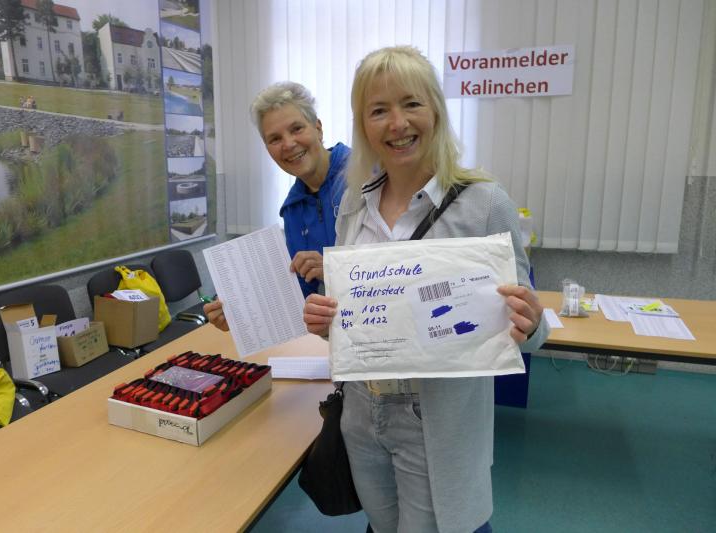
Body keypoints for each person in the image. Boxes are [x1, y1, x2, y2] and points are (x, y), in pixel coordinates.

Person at [303, 46, 549, 533]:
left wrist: (532, 322)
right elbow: (355, 315)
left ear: (435, 109)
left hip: (437, 414)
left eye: (411, 103)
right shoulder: (352, 204)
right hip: (362, 413)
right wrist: (328, 321)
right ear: (363, 125)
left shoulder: (484, 203)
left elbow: (532, 336)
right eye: (378, 110)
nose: (397, 123)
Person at [204, 81, 350, 331]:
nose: (288, 144)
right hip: (331, 335)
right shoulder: (292, 209)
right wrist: (240, 315)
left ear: (318, 128)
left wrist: (332, 269)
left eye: (297, 128)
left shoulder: (366, 177)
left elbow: (398, 268)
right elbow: (299, 294)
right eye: (275, 138)